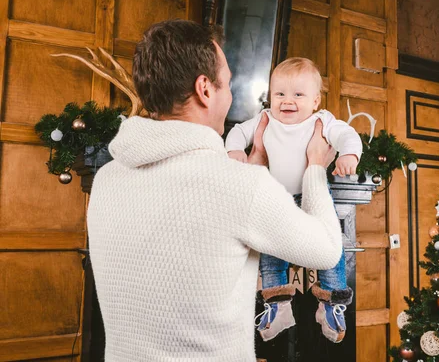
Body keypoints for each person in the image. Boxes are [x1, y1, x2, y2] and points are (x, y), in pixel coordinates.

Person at [86, 20, 342, 362]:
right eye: (228, 84)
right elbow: (326, 251)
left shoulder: (106, 179)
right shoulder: (241, 186)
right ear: (205, 89)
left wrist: (250, 171)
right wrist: (314, 168)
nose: (231, 95)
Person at [225, 57, 362, 343]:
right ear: (270, 98)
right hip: (276, 198)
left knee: (330, 248)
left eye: (298, 94)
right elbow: (238, 132)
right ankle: (278, 306)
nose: (287, 101)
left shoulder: (321, 120)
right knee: (270, 251)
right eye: (280, 94)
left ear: (315, 101)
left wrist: (349, 154)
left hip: (313, 196)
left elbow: (347, 134)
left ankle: (331, 303)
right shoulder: (266, 119)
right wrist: (235, 150)